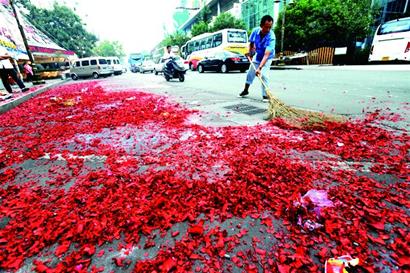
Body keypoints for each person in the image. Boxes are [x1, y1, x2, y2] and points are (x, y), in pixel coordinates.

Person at [239, 15, 276, 102]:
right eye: (266, 27)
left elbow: (266, 55)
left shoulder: (271, 37)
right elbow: (251, 43)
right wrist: (251, 53)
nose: (268, 30)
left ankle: (265, 95)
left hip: (267, 58)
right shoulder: (255, 31)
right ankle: (245, 90)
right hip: (258, 55)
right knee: (250, 73)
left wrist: (259, 68)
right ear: (261, 25)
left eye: (270, 27)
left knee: (264, 75)